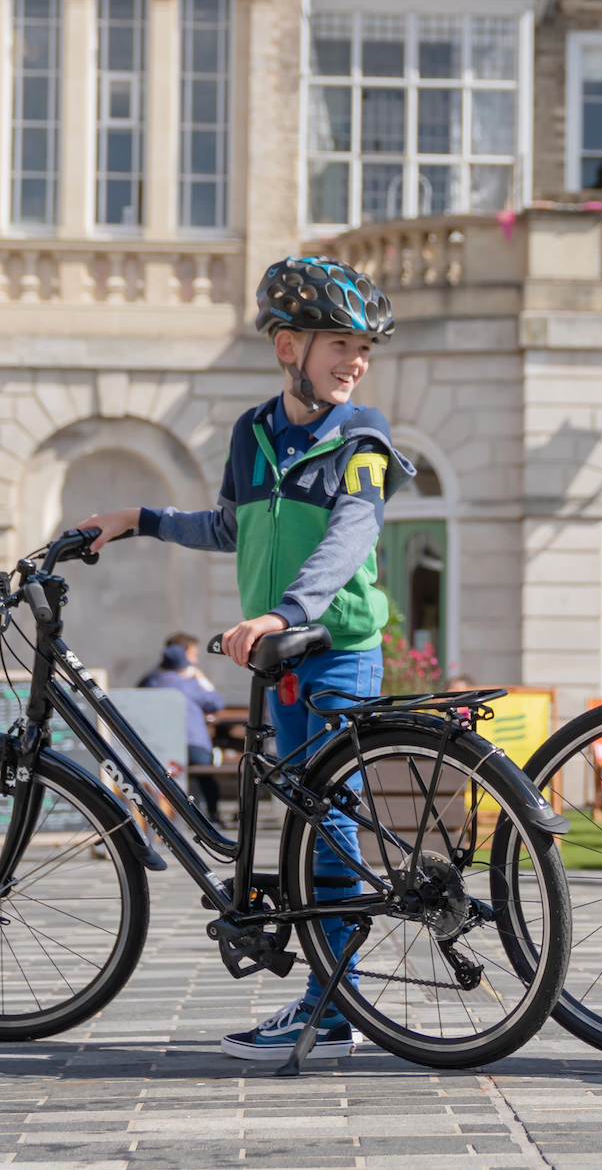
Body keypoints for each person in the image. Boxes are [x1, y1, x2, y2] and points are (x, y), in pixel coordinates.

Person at [78, 255, 407, 1066]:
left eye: (363, 349)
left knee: (327, 823)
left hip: (332, 649)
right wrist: (142, 518)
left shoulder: (363, 438)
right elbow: (231, 528)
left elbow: (351, 532)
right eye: (339, 344)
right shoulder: (251, 435)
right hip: (274, 653)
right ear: (286, 346)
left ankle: (335, 1008)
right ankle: (329, 997)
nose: (354, 362)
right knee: (302, 824)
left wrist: (284, 612)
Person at [140, 632, 226, 821]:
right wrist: (201, 680)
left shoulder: (150, 680)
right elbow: (216, 703)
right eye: (193, 655)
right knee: (205, 772)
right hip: (192, 746)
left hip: (158, 746)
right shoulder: (189, 683)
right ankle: (212, 815)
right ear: (185, 657)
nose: (195, 660)